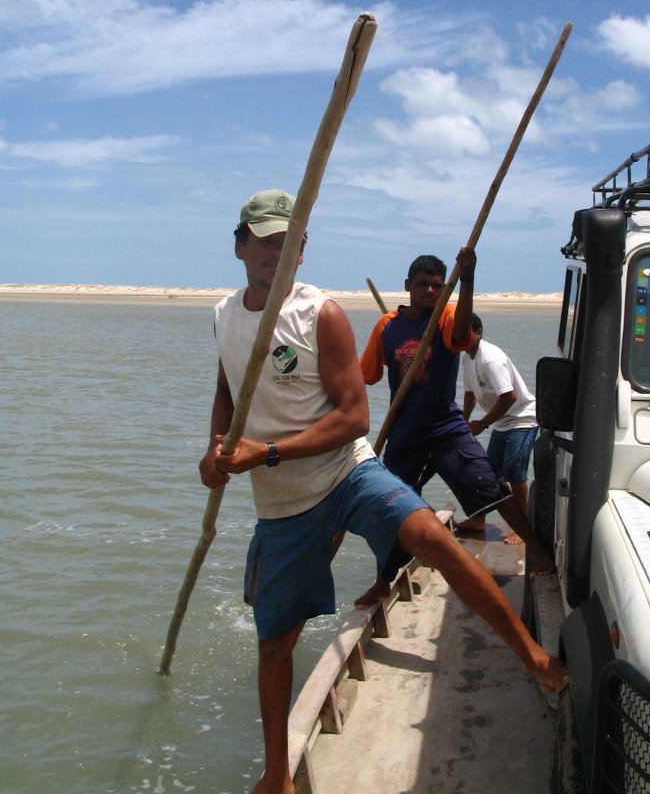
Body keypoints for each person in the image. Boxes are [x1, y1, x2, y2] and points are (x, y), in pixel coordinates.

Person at [199, 191, 568, 794]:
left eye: (287, 240)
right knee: (275, 642)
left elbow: (351, 419)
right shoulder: (223, 316)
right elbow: (226, 389)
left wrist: (262, 453)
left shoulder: (324, 313)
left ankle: (532, 655)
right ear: (239, 244)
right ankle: (277, 775)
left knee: (436, 539)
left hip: (348, 469)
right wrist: (215, 450)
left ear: (302, 250)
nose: (276, 251)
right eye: (264, 239)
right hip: (283, 503)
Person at [355, 251, 553, 609]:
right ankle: (383, 582)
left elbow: (461, 334)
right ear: (408, 287)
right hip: (405, 434)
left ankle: (538, 552)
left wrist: (467, 279)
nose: (430, 291)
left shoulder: (446, 317)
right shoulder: (387, 326)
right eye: (423, 285)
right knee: (388, 509)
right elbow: (365, 374)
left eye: (436, 285)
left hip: (447, 429)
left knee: (491, 487)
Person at [462, 312, 539, 544]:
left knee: (514, 471)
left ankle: (523, 527)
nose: (459, 337)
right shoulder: (466, 357)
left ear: (478, 332)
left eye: (464, 333)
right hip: (502, 422)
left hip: (522, 418)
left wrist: (483, 423)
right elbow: (469, 394)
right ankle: (478, 520)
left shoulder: (490, 358)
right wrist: (463, 423)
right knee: (489, 474)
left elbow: (509, 396)